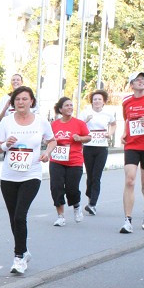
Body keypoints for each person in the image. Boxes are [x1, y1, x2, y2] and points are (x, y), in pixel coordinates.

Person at [0, 85, 56, 274]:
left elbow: (52, 140)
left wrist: (47, 153)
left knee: (20, 215)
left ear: (32, 101)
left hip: (31, 174)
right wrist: (5, 144)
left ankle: (18, 257)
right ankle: (24, 250)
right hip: (9, 176)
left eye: (24, 99)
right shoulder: (6, 122)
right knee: (14, 218)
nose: (21, 102)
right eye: (17, 99)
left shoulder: (41, 122)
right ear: (13, 102)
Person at [119, 71, 144, 233]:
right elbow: (128, 119)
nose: (141, 82)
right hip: (131, 145)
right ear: (132, 85)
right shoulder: (126, 101)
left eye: (143, 79)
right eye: (137, 80)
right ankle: (127, 220)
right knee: (129, 180)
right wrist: (124, 133)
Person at [48, 96, 90, 226]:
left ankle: (76, 206)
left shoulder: (79, 123)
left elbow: (88, 137)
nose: (70, 107)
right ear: (60, 109)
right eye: (66, 105)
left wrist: (80, 138)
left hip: (74, 160)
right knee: (56, 187)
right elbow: (48, 139)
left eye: (71, 105)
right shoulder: (54, 124)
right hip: (57, 160)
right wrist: (49, 142)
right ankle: (60, 216)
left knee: (72, 188)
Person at [79, 89, 116, 215]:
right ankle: (90, 197)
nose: (97, 101)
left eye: (99, 99)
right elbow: (78, 126)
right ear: (92, 101)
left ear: (104, 101)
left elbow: (113, 124)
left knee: (96, 176)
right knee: (90, 176)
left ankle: (93, 204)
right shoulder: (85, 113)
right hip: (89, 147)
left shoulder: (108, 113)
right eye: (95, 99)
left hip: (102, 148)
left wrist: (109, 134)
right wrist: (86, 121)